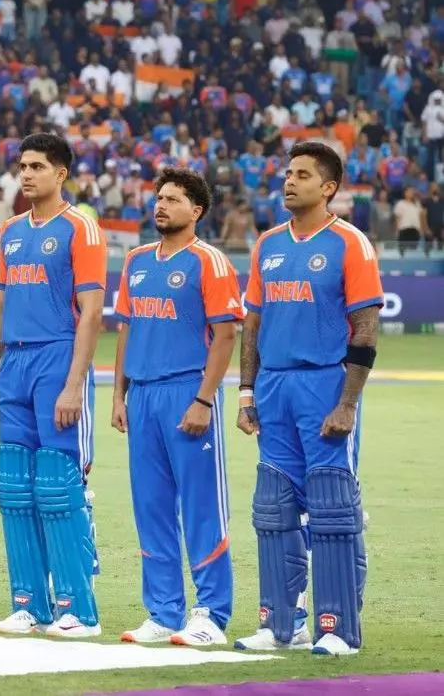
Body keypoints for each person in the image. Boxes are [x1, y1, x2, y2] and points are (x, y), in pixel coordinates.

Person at [234, 142, 382, 656]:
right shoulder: (268, 243)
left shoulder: (350, 243)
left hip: (324, 384)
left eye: (301, 174)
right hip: (274, 386)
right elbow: (253, 324)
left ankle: (338, 628)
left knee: (332, 506)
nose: (289, 181)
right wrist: (247, 391)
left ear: (329, 187)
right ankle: (280, 623)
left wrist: (348, 403)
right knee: (273, 507)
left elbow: (366, 328)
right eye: (287, 173)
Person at [0, 131, 107, 638]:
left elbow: (91, 313)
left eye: (37, 166)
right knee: (14, 487)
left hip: (58, 359)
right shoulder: (10, 231)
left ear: (61, 173)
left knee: (58, 484)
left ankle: (79, 609)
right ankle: (29, 604)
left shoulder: (80, 229)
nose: (26, 174)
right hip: (15, 365)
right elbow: (0, 306)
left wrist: (74, 385)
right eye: (22, 166)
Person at [111, 169, 242, 646]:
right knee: (152, 507)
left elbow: (225, 335)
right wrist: (119, 394)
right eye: (159, 198)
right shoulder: (136, 260)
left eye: (173, 199)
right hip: (142, 396)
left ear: (196, 210)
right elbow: (126, 329)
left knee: (202, 506)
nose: (161, 205)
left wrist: (204, 400)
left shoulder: (210, 261)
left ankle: (211, 614)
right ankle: (164, 612)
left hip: (187, 391)